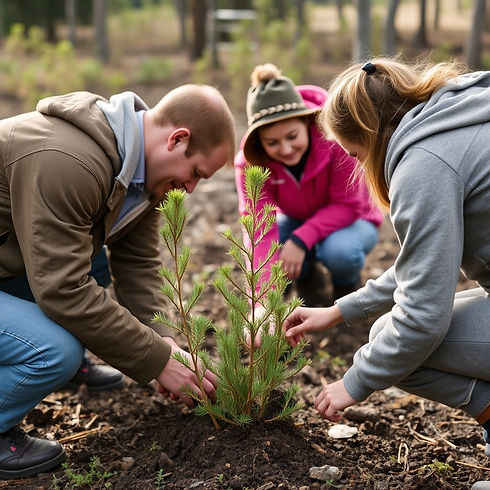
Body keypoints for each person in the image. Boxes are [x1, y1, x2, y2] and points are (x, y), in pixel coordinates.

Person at [0, 85, 235, 479]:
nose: (191, 189)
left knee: (99, 265)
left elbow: (138, 264)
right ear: (177, 139)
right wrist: (155, 360)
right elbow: (63, 289)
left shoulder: (140, 175)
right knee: (54, 350)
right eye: (194, 173)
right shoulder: (68, 160)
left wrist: (169, 346)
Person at [282, 58, 490, 488]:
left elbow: (422, 318)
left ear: (371, 136)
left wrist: (355, 382)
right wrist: (339, 310)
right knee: (387, 336)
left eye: (355, 154)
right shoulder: (461, 110)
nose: (359, 165)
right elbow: (425, 264)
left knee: (394, 346)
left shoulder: (425, 163)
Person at [234, 63, 383, 314]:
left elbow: (347, 205)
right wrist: (260, 305)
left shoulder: (336, 141)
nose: (285, 148)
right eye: (272, 143)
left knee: (340, 252)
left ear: (307, 122)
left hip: (353, 219)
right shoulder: (252, 165)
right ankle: (307, 279)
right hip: (296, 219)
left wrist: (301, 240)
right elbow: (258, 228)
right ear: (259, 142)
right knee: (275, 251)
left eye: (292, 136)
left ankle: (346, 291)